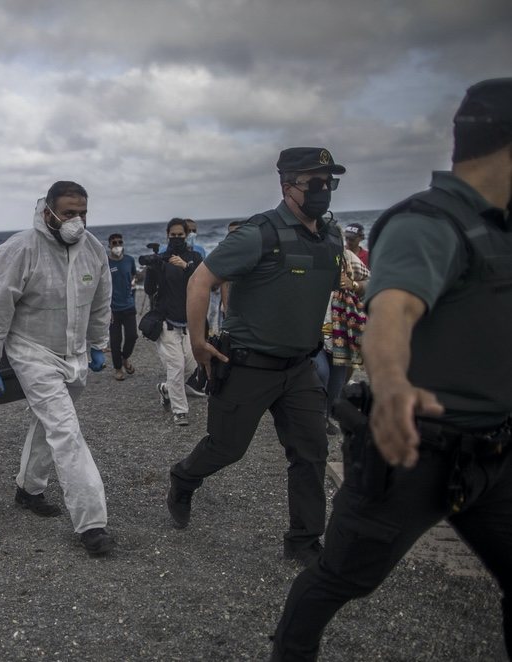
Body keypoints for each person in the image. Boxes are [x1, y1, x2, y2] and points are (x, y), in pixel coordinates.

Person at [271, 78, 512, 661]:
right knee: (341, 578)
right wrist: (395, 385)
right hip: (413, 451)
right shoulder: (428, 223)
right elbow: (391, 311)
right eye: (317, 182)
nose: (326, 192)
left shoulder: (500, 226)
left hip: (498, 453)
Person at [166, 147, 344, 566]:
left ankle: (303, 540)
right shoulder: (258, 232)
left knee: (310, 452)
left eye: (328, 183)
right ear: (287, 187)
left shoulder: (331, 235)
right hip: (247, 365)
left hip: (300, 367)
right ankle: (184, 477)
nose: (323, 191)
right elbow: (200, 279)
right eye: (313, 183)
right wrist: (198, 341)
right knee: (227, 448)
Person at [0, 181, 115, 556]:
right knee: (66, 431)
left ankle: (28, 489)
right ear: (48, 211)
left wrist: (99, 344)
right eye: (69, 213)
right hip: (31, 350)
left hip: (74, 353)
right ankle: (92, 524)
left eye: (83, 213)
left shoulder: (93, 250)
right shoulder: (21, 249)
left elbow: (100, 301)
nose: (77, 221)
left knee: (47, 424)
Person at [143, 218, 203, 426]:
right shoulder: (161, 259)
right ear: (167, 234)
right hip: (166, 321)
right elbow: (150, 290)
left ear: (187, 235)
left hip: (189, 321)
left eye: (180, 235)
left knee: (192, 365)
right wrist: (152, 267)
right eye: (173, 234)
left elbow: (202, 285)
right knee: (176, 366)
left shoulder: (195, 257)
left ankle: (166, 389)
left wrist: (186, 267)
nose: (176, 238)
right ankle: (180, 411)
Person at [314, 240, 369, 435]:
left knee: (337, 380)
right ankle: (315, 417)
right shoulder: (307, 257)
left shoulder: (347, 258)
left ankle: (325, 416)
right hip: (312, 329)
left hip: (342, 328)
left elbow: (370, 283)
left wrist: (353, 284)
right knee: (321, 372)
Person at [107, 233, 137, 381]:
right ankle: (118, 368)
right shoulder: (105, 263)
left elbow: (133, 277)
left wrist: (131, 296)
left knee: (132, 335)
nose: (117, 245)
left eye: (120, 242)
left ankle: (125, 358)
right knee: (115, 340)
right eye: (114, 243)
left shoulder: (129, 260)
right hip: (112, 309)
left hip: (129, 306)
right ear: (109, 245)